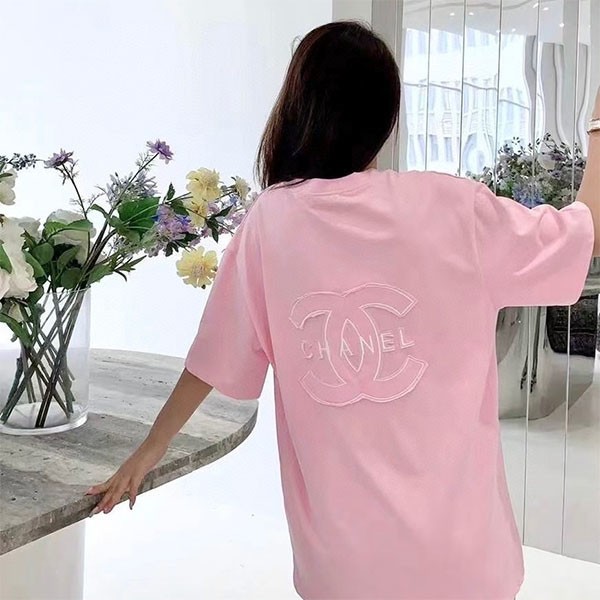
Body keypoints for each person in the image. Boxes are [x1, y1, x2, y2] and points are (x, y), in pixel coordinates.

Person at [85, 21, 599, 600]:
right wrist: (597, 127)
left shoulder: (270, 223)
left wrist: (149, 450)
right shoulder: (455, 208)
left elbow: (212, 357)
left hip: (343, 568)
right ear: (385, 117)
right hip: (463, 561)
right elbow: (585, 235)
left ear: (298, 105)